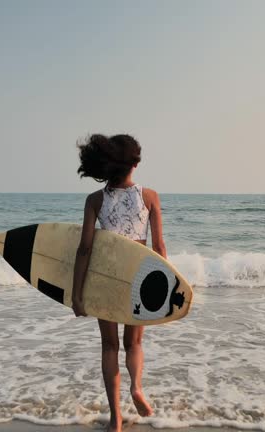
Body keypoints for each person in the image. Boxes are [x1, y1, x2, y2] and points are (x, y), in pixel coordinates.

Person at [72, 134, 166, 432]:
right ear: (134, 163)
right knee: (134, 342)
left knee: (109, 346)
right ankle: (137, 388)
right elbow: (159, 248)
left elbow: (85, 249)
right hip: (138, 279)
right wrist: (165, 289)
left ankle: (115, 420)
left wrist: (77, 294)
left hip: (105, 278)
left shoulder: (95, 200)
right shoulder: (149, 196)